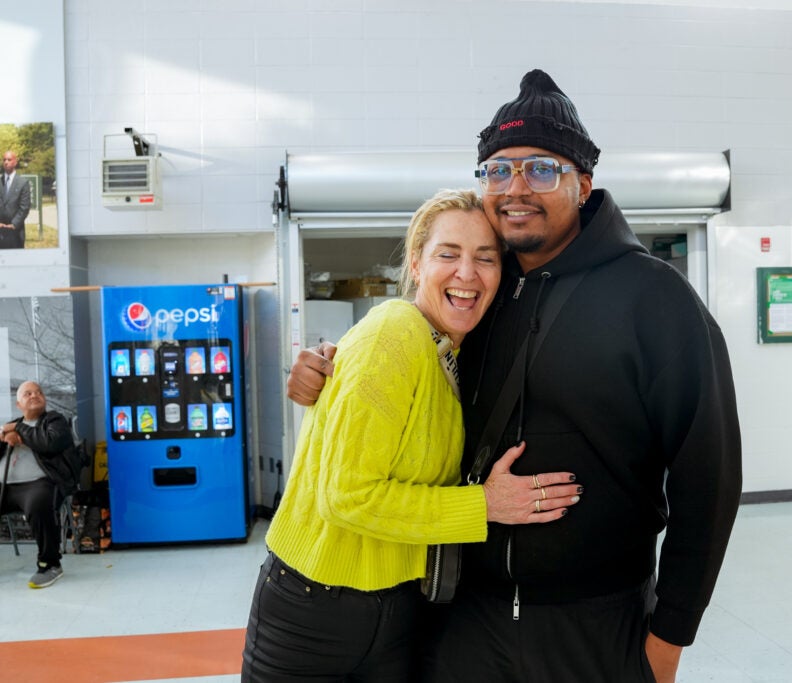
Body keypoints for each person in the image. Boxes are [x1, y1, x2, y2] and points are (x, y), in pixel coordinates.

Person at [288, 69, 742, 683]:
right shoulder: (483, 292)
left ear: (583, 183)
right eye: (498, 170)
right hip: (463, 618)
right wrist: (327, 366)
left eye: (541, 168)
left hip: (597, 626)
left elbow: (708, 480)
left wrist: (671, 637)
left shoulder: (655, 299)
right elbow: (406, 362)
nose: (515, 187)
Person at [242, 188, 583, 682]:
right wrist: (483, 506)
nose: (467, 273)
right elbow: (347, 496)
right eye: (449, 254)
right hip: (313, 609)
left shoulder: (453, 352)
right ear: (417, 263)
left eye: (485, 259)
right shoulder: (396, 332)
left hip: (396, 604)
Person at [1, 381, 78, 588]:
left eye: (38, 392)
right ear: (19, 404)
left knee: (39, 503)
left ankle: (50, 564)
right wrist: (3, 437)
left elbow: (49, 443)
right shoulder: (12, 424)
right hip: (6, 487)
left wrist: (19, 430)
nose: (34, 395)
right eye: (28, 393)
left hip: (41, 483)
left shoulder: (54, 421)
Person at [0, 150, 32, 249]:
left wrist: (14, 224)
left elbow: (25, 207)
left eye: (9, 159)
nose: (6, 162)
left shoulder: (22, 183)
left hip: (16, 232)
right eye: (4, 159)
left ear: (15, 162)